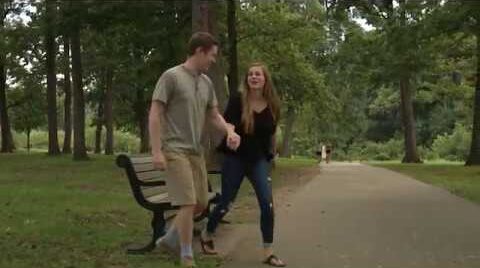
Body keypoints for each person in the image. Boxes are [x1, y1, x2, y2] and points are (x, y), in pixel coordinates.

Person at [148, 32, 241, 268]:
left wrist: (229, 132)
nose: (213, 60)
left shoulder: (206, 83)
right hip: (174, 149)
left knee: (200, 203)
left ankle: (170, 239)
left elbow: (213, 116)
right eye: (211, 55)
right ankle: (186, 255)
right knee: (188, 202)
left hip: (195, 151)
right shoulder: (171, 77)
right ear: (199, 51)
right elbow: (155, 113)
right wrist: (157, 151)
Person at [200, 62, 286, 267]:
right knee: (226, 202)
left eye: (258, 74)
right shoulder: (238, 100)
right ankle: (207, 233)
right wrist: (230, 135)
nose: (254, 77)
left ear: (265, 79)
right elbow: (227, 123)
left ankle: (268, 251)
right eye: (250, 74)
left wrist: (273, 154)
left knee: (267, 204)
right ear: (247, 79)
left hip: (259, 160)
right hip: (235, 157)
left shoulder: (273, 103)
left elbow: (272, 132)